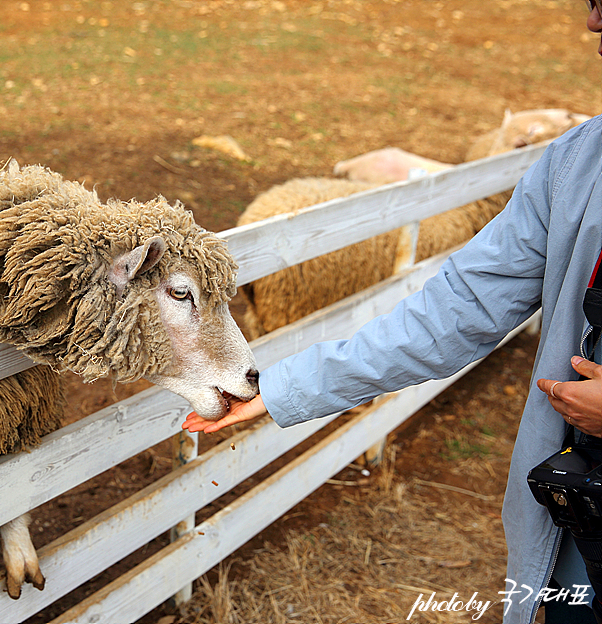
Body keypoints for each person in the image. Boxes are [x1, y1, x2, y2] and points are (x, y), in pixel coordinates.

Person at [183, 4, 602, 623]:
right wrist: (284, 386)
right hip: (583, 523)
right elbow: (456, 308)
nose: (592, 24)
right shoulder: (577, 166)